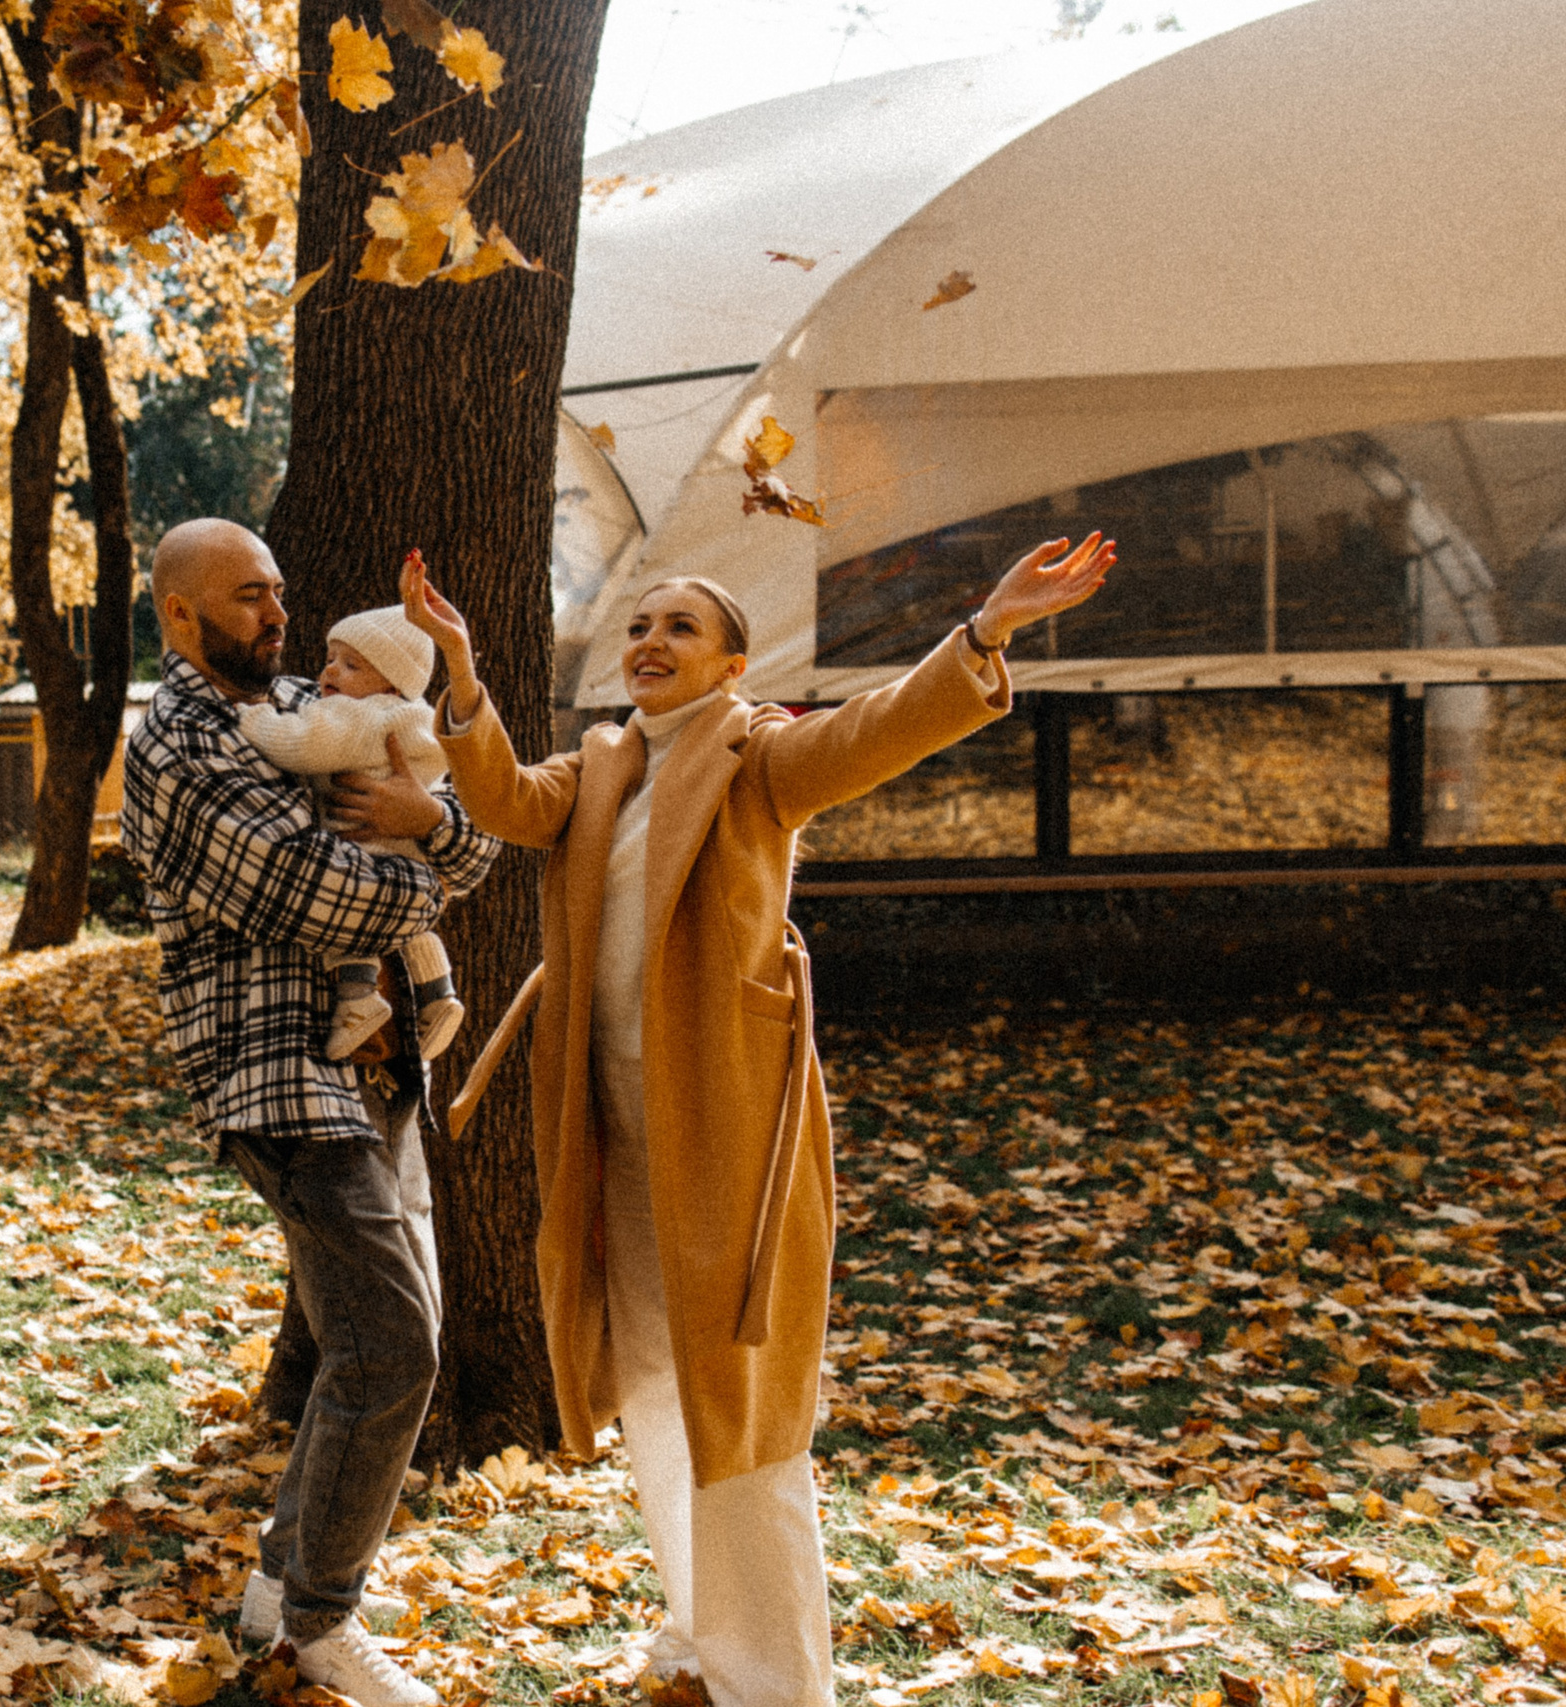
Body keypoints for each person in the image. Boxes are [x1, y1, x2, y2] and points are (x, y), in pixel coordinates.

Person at [409, 534, 1114, 1706]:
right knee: (648, 1379)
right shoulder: (593, 768)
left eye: (680, 627)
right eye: (639, 625)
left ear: (733, 664)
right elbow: (497, 798)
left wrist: (984, 632)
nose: (650, 643)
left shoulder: (758, 757)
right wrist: (461, 669)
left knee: (741, 1398)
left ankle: (779, 1683)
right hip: (609, 1129)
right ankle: (700, 1632)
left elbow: (874, 733)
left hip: (725, 1124)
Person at [121, 519, 499, 1707]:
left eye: (280, 591)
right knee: (394, 1344)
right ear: (180, 615)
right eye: (247, 597)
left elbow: (481, 840)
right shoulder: (178, 741)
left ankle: (283, 1586)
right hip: (277, 1075)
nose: (277, 615)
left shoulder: (304, 701)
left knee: (366, 1343)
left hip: (378, 1073)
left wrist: (430, 825)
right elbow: (312, 894)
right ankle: (322, 1627)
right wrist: (420, 850)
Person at [233, 592, 468, 1063]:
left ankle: (358, 1001)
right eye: (331, 659)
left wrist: (250, 717)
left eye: (351, 666)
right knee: (409, 925)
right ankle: (439, 992)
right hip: (410, 849)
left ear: (390, 686)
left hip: (361, 845)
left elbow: (298, 744)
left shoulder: (356, 716)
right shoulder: (419, 723)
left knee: (351, 919)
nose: (330, 673)